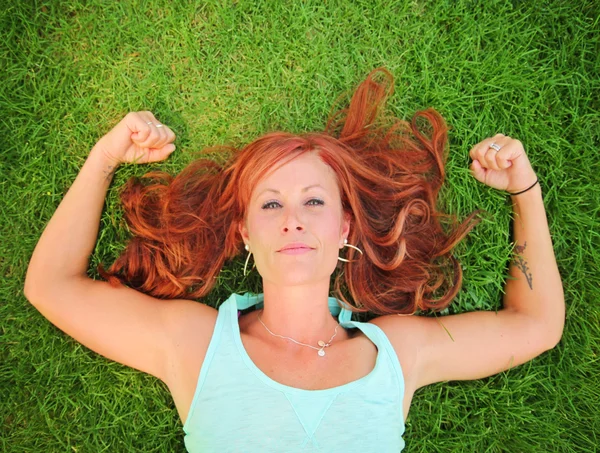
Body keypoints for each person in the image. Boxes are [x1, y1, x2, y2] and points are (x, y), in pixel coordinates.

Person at [24, 68, 564, 452]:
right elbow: (49, 285)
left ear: (344, 228)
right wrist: (105, 158)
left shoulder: (399, 352)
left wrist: (525, 192)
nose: (293, 218)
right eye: (271, 203)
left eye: (313, 200)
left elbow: (535, 326)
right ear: (245, 233)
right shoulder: (194, 344)